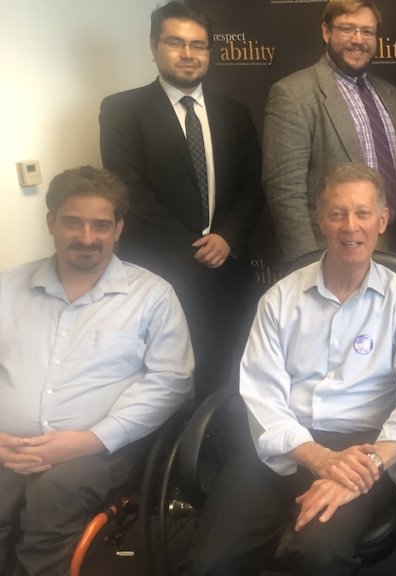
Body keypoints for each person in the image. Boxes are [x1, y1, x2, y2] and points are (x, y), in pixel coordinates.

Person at [186, 163, 396, 576]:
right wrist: (319, 458)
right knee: (208, 563)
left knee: (315, 556)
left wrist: (368, 465)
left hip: (363, 450)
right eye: (337, 213)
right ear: (319, 219)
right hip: (284, 445)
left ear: (382, 220)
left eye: (363, 213)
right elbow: (261, 394)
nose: (351, 226)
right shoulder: (279, 300)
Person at [0, 166, 193, 576]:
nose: (87, 237)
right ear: (51, 222)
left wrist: (88, 440)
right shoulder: (7, 288)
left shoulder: (152, 296)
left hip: (102, 449)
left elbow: (171, 382)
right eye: (73, 222)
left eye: (101, 225)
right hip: (6, 443)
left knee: (52, 496)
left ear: (118, 228)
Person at [100, 1, 263, 401]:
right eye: (176, 42)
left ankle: (217, 450)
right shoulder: (122, 110)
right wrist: (193, 248)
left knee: (224, 369)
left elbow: (252, 186)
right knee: (164, 376)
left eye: (199, 45)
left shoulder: (235, 113)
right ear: (154, 47)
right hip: (160, 270)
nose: (188, 54)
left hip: (226, 270)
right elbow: (128, 191)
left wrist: (226, 237)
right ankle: (170, 457)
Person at [264, 0, 396, 264]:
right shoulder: (293, 93)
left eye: (367, 31)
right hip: (332, 252)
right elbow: (285, 191)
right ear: (326, 32)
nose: (359, 39)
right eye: (347, 29)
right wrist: (306, 265)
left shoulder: (390, 95)